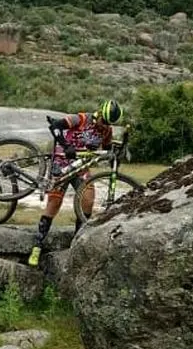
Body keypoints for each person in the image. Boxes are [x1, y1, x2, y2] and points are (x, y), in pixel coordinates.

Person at [27, 99, 123, 267]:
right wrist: (66, 145)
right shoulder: (81, 119)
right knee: (54, 204)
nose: (104, 125)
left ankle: (77, 244)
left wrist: (117, 152)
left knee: (88, 201)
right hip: (62, 162)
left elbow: (107, 150)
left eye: (109, 123)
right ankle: (37, 246)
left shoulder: (107, 130)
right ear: (99, 114)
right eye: (104, 121)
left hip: (81, 167)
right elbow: (55, 126)